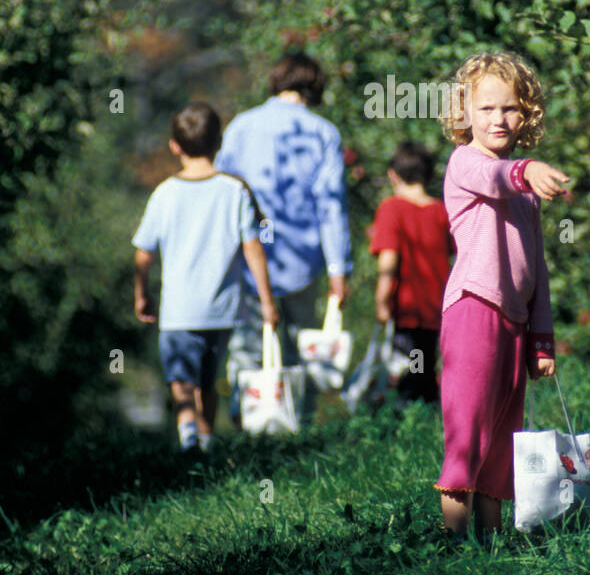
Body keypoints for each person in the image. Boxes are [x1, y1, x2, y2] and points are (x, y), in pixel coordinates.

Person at [435, 52, 572, 540]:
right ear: (464, 113)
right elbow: (495, 178)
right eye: (487, 108)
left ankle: (491, 546)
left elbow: (536, 268)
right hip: (473, 311)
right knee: (468, 434)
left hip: (514, 322)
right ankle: (454, 546)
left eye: (510, 108)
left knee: (502, 441)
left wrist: (542, 339)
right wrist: (527, 169)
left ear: (527, 114)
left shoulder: (527, 192)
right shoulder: (465, 163)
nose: (499, 118)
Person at [214, 52, 352, 427]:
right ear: (314, 87)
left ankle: (247, 423)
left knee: (248, 347)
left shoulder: (242, 126)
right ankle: (296, 429)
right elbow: (330, 207)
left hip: (247, 260)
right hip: (303, 262)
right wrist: (339, 268)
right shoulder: (324, 133)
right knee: (297, 349)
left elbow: (223, 193)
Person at [132, 101, 278, 452]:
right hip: (222, 309)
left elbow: (143, 252)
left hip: (178, 310)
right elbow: (254, 248)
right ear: (220, 143)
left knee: (181, 381)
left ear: (174, 146)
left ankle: (188, 442)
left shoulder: (164, 193)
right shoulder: (235, 190)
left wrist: (141, 294)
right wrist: (267, 301)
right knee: (209, 381)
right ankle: (208, 439)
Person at [370, 141, 454, 404]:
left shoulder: (391, 208)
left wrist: (382, 301)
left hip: (406, 309)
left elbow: (388, 260)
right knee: (426, 370)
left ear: (393, 174)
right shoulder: (442, 211)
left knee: (408, 373)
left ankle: (406, 426)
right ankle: (428, 422)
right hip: (437, 306)